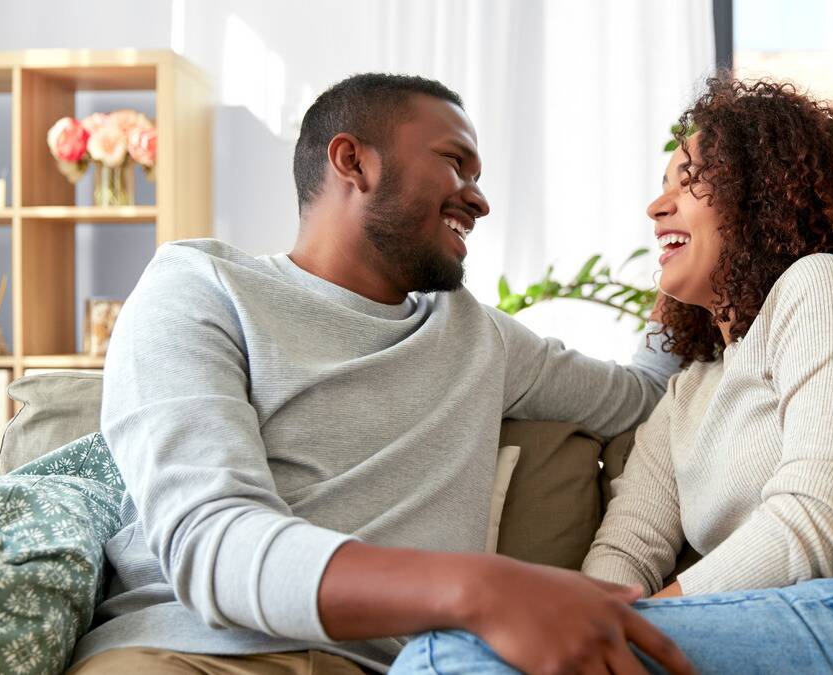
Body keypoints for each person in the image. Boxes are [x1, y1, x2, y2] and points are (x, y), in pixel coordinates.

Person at [390, 77, 833, 674]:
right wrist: (585, 615)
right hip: (804, 628)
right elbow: (628, 550)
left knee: (449, 658)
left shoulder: (823, 288)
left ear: (768, 196)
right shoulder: (688, 391)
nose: (655, 204)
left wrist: (623, 626)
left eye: (690, 180)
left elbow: (823, 513)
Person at [68, 73, 695, 675]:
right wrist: (482, 590)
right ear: (354, 162)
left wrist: (685, 268)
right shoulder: (200, 289)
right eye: (455, 162)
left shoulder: (480, 336)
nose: (479, 199)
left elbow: (640, 395)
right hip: (187, 653)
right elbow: (215, 544)